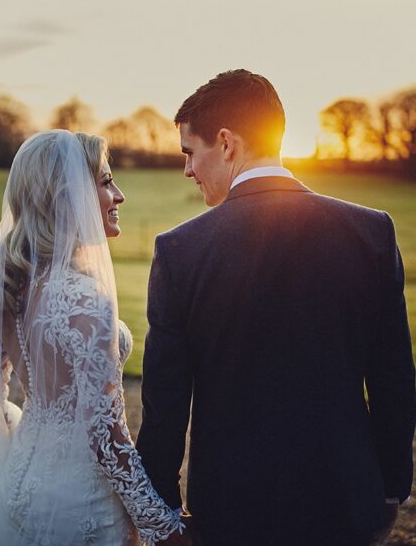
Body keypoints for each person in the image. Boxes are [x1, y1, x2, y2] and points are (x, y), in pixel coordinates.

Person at [136, 69, 416, 546]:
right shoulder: (371, 232)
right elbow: (393, 377)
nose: (187, 170)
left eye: (189, 152)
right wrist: (390, 491)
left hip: (229, 511)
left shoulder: (180, 251)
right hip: (347, 503)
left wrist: (161, 513)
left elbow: (164, 405)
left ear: (226, 143)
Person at [0, 130, 189, 545]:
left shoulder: (8, 282)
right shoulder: (85, 299)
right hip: (84, 504)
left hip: (18, 481)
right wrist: (162, 525)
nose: (120, 195)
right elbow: (106, 436)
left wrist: (24, 443)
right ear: (67, 195)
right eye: (106, 181)